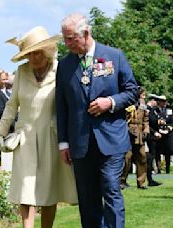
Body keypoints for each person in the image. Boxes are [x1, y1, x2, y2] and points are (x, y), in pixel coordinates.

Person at [56, 13, 138, 227]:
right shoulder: (64, 66)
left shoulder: (115, 56)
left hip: (111, 139)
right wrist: (63, 142)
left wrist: (110, 102)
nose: (67, 44)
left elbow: (132, 91)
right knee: (88, 197)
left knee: (111, 188)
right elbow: (61, 106)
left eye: (71, 38)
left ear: (86, 33)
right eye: (65, 38)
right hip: (80, 142)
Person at [0, 26, 77, 228]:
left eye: (37, 52)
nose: (33, 58)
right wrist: (1, 131)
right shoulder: (22, 72)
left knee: (49, 190)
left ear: (48, 50)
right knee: (26, 188)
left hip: (51, 137)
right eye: (29, 53)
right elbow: (12, 105)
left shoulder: (61, 70)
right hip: (25, 138)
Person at [120, 87, 149, 189]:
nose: (143, 96)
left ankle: (141, 182)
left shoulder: (142, 103)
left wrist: (146, 130)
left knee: (142, 158)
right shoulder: (127, 102)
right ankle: (122, 181)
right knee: (126, 158)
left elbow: (146, 118)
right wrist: (127, 128)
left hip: (140, 134)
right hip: (128, 134)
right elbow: (122, 118)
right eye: (141, 94)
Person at [146, 94, 162, 186]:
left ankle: (150, 179)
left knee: (151, 158)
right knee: (149, 158)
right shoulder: (147, 109)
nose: (157, 103)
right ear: (152, 100)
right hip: (149, 137)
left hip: (153, 137)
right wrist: (154, 132)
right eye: (156, 101)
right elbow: (146, 123)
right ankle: (149, 179)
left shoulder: (153, 110)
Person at [155, 95, 173, 173]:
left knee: (168, 152)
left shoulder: (169, 111)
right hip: (159, 134)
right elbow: (153, 121)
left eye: (165, 101)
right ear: (159, 102)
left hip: (168, 134)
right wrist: (158, 129)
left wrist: (168, 129)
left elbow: (172, 122)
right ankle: (159, 170)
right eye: (162, 101)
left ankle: (168, 170)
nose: (164, 103)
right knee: (158, 152)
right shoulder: (155, 110)